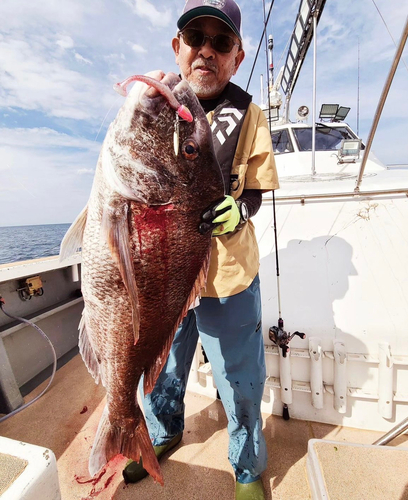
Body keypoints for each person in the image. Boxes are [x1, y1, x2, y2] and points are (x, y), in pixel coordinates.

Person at [123, 1, 279, 499]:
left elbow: (255, 186)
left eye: (222, 41)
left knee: (239, 380)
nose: (207, 50)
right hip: (168, 277)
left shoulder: (249, 114)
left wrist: (241, 208)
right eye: (196, 36)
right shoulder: (159, 106)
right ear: (178, 47)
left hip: (227, 276)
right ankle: (163, 435)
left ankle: (248, 467)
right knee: (163, 370)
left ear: (237, 56)